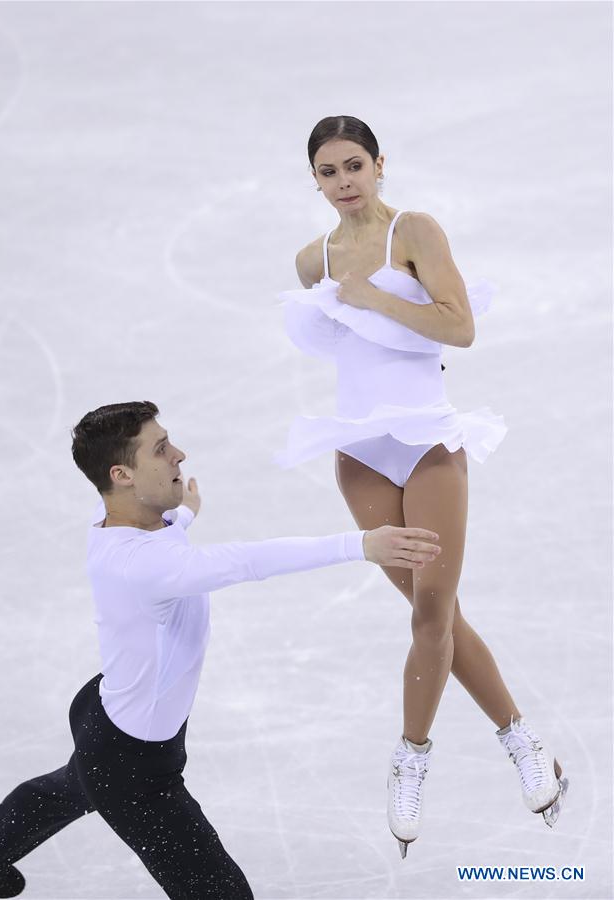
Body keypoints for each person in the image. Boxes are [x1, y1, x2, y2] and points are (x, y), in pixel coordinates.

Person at [0, 400, 442, 899]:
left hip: (104, 713)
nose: (179, 455)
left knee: (68, 787)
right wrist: (359, 544)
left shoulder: (130, 529)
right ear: (121, 476)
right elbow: (244, 561)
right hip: (132, 767)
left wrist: (186, 515)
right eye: (160, 448)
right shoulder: (142, 564)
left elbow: (164, 544)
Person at [275, 115, 568, 857]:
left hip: (428, 439)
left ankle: (414, 754)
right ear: (312, 179)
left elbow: (459, 326)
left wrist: (373, 297)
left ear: (378, 164)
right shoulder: (311, 260)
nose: (341, 183)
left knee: (432, 613)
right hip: (360, 451)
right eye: (326, 171)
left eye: (352, 166)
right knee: (430, 611)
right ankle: (524, 738)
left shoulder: (414, 230)